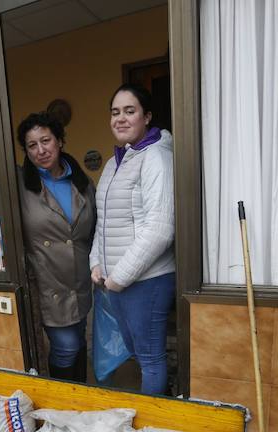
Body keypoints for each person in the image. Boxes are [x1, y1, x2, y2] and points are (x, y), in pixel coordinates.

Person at [0, 113, 96, 382]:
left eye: (46, 140)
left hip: (80, 284)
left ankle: (78, 397)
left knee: (79, 344)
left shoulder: (82, 183)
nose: (40, 150)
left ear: (60, 142)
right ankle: (61, 401)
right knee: (66, 348)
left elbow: (92, 233)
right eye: (32, 145)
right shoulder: (19, 183)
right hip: (47, 285)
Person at [90, 83, 175, 395]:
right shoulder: (116, 162)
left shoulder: (156, 158)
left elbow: (161, 229)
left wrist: (119, 278)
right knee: (138, 353)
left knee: (150, 359)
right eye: (115, 112)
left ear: (147, 116)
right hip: (119, 282)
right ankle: (162, 407)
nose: (120, 118)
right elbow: (103, 221)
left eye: (130, 111)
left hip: (148, 280)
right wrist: (97, 263)